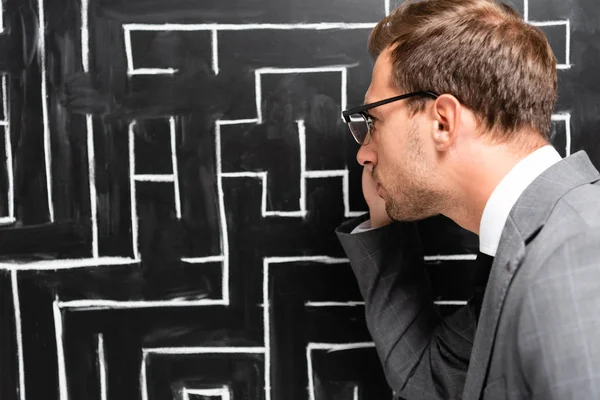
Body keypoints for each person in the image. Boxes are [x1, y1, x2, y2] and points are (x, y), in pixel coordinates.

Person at [335, 0, 600, 399]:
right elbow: (433, 380)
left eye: (374, 120)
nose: (363, 153)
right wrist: (385, 219)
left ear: (443, 122)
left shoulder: (574, 261)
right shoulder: (532, 244)